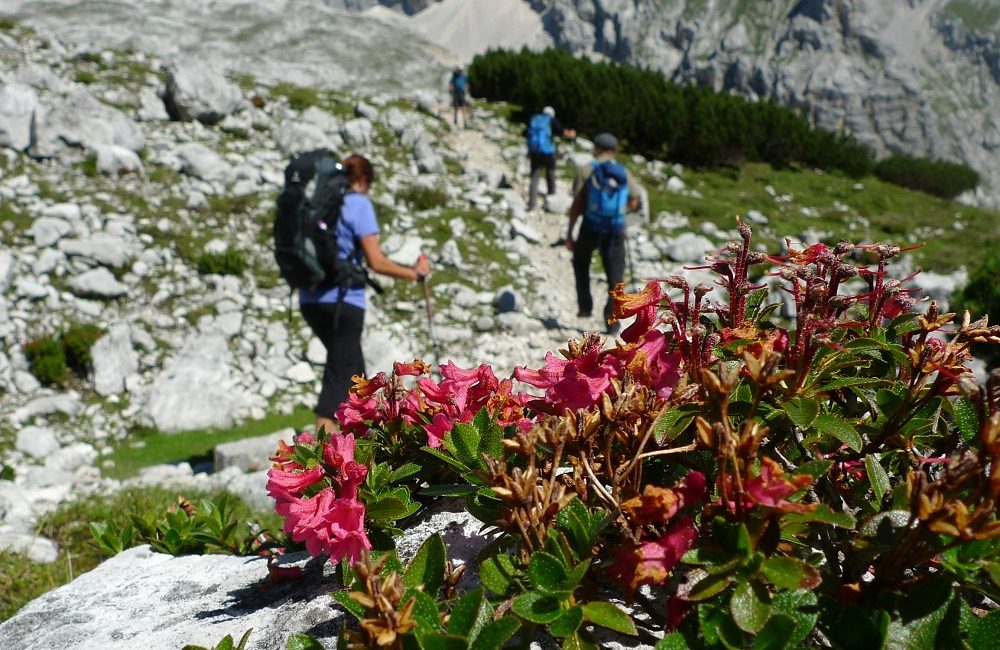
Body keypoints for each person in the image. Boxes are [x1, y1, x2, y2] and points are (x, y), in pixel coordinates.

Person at [299, 154, 431, 434]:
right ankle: (323, 462)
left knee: (354, 373)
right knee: (339, 377)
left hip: (310, 299)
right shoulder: (359, 204)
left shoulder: (320, 204)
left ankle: (360, 444)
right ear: (362, 180)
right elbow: (376, 261)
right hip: (343, 303)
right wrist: (414, 273)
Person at [565, 132, 641, 333]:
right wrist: (618, 211)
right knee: (615, 277)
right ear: (614, 150)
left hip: (590, 227)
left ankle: (585, 306)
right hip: (615, 231)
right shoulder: (623, 172)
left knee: (581, 262)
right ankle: (612, 320)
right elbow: (634, 201)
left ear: (596, 148)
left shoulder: (585, 170)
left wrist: (570, 231)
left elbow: (577, 203)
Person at [524, 106, 576, 210]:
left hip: (535, 152)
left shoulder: (534, 120)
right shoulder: (551, 120)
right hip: (548, 152)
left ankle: (532, 203)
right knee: (550, 173)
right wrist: (572, 134)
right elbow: (562, 132)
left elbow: (525, 133)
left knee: (535, 176)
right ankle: (551, 198)